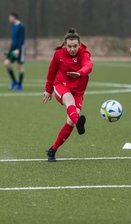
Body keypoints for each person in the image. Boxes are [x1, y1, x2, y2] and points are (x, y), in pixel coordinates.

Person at [43, 28, 93, 162]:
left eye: (75, 46)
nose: (72, 49)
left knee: (70, 122)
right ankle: (79, 123)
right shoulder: (58, 54)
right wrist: (48, 89)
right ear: (65, 45)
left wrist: (80, 73)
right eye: (69, 46)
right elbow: (51, 72)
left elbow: (89, 65)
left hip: (78, 90)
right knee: (69, 101)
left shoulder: (84, 53)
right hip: (61, 86)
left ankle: (52, 150)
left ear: (79, 44)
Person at [4, 12, 26, 91]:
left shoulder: (21, 26)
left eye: (10, 17)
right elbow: (14, 39)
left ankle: (20, 85)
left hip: (20, 48)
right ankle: (14, 81)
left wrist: (18, 50)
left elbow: (22, 40)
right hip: (12, 48)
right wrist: (10, 50)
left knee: (19, 67)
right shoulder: (12, 26)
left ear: (14, 17)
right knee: (6, 63)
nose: (9, 19)